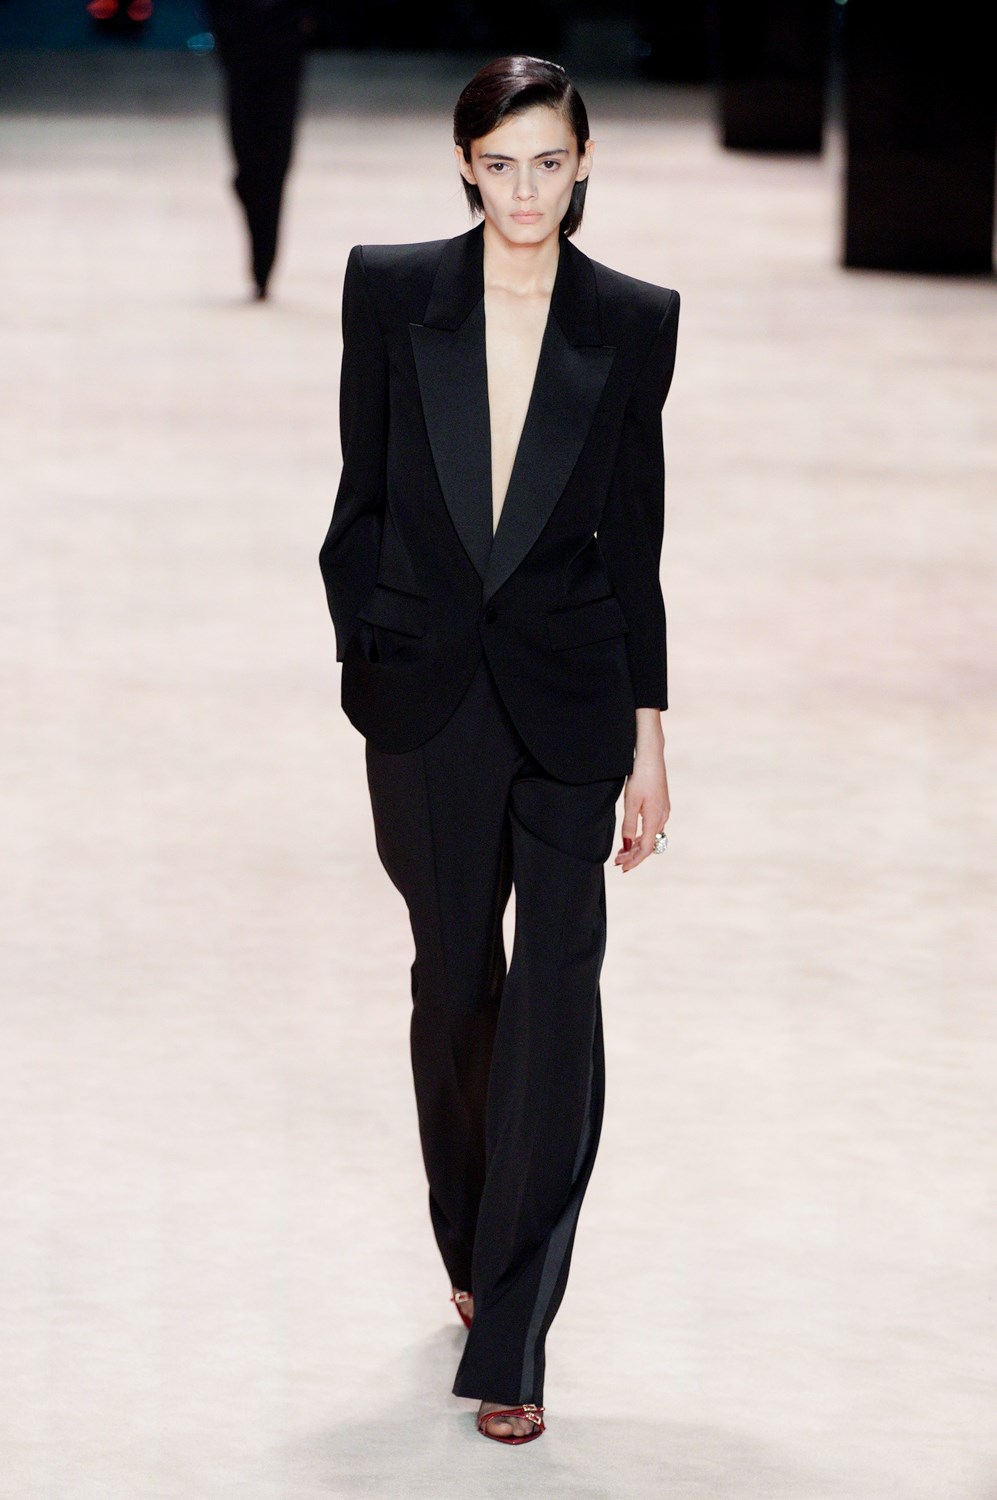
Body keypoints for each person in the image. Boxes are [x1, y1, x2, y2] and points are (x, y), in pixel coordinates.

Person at [318, 54, 680, 1446]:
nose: (525, 191)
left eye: (549, 162)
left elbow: (634, 533)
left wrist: (649, 729)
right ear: (464, 164)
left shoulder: (630, 320)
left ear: (584, 164)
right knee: (456, 983)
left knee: (557, 995)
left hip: (573, 696)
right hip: (427, 700)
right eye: (500, 163)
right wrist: (369, 648)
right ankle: (469, 1233)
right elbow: (359, 495)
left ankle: (516, 1327)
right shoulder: (389, 290)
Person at [205, 0, 316, 299]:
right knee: (249, 173)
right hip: (244, 53)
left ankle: (263, 269)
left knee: (274, 168)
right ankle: (262, 266)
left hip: (282, 53)